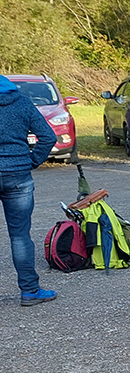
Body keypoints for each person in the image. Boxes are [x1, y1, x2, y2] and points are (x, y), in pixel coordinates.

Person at [0, 75, 57, 306]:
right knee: (20, 236)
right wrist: (32, 161)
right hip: (18, 176)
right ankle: (30, 291)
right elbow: (48, 137)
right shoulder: (22, 103)